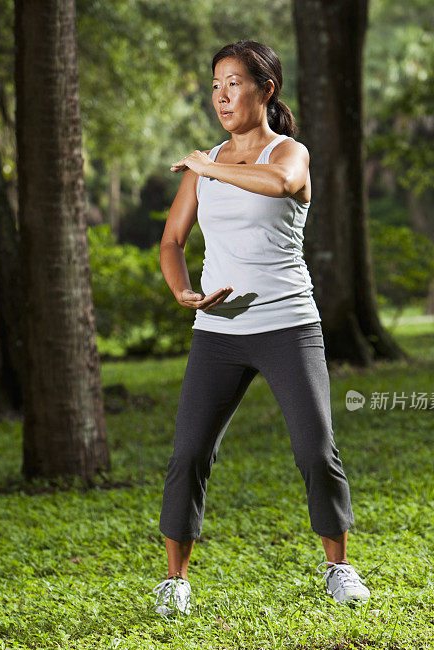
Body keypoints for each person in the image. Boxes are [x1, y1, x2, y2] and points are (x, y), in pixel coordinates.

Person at [152, 40, 370, 617]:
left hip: (287, 325)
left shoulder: (289, 152)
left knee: (315, 449)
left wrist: (207, 166)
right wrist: (183, 293)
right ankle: (175, 581)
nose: (222, 96)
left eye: (235, 83)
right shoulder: (206, 166)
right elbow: (172, 242)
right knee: (189, 453)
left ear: (266, 89)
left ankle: (339, 567)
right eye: (216, 85)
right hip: (218, 330)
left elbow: (276, 183)